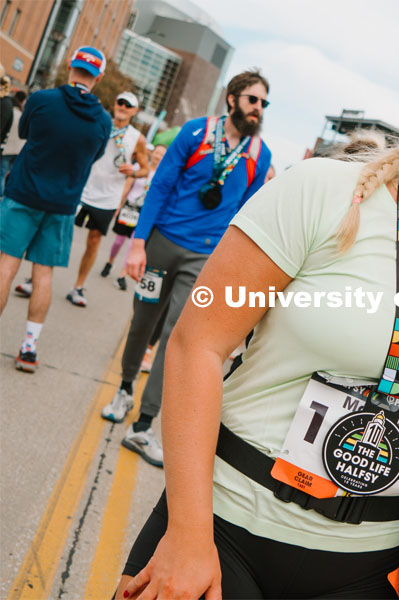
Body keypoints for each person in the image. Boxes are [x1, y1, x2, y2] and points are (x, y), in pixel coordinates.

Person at [116, 37, 399, 600]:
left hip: (368, 564)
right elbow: (194, 348)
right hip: (225, 530)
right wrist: (186, 531)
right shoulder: (319, 191)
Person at [100, 69, 273, 469]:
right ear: (232, 99)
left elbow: (244, 213)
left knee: (177, 333)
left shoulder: (258, 154)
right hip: (160, 246)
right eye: (252, 100)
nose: (258, 108)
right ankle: (125, 388)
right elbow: (160, 185)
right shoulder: (196, 133)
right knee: (143, 321)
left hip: (204, 259)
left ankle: (143, 424)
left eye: (264, 103)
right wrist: (138, 243)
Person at [0, 46, 111, 372]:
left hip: (23, 195)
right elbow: (96, 155)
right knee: (43, 275)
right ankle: (29, 348)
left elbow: (25, 133)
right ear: (99, 77)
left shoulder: (42, 100)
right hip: (62, 205)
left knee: (6, 266)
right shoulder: (102, 121)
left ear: (69, 66)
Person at [64, 91, 148, 307]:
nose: (122, 107)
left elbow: (145, 169)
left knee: (93, 241)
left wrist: (132, 170)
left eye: (128, 105)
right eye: (120, 102)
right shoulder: (100, 123)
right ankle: (34, 277)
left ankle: (78, 286)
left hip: (107, 198)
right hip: (81, 189)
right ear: (114, 104)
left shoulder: (137, 138)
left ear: (134, 111)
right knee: (59, 231)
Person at [100, 144, 167, 291]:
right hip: (129, 208)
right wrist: (119, 205)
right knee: (118, 241)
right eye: (157, 153)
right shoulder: (139, 169)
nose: (158, 157)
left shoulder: (163, 175)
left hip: (144, 212)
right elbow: (127, 186)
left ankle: (122, 276)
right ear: (151, 153)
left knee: (133, 243)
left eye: (162, 155)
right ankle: (110, 262)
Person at [1, 90, 26, 197]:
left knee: (2, 174)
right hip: (18, 150)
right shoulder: (22, 114)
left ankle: (1, 196)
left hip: (8, 149)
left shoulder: (11, 111)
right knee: (8, 175)